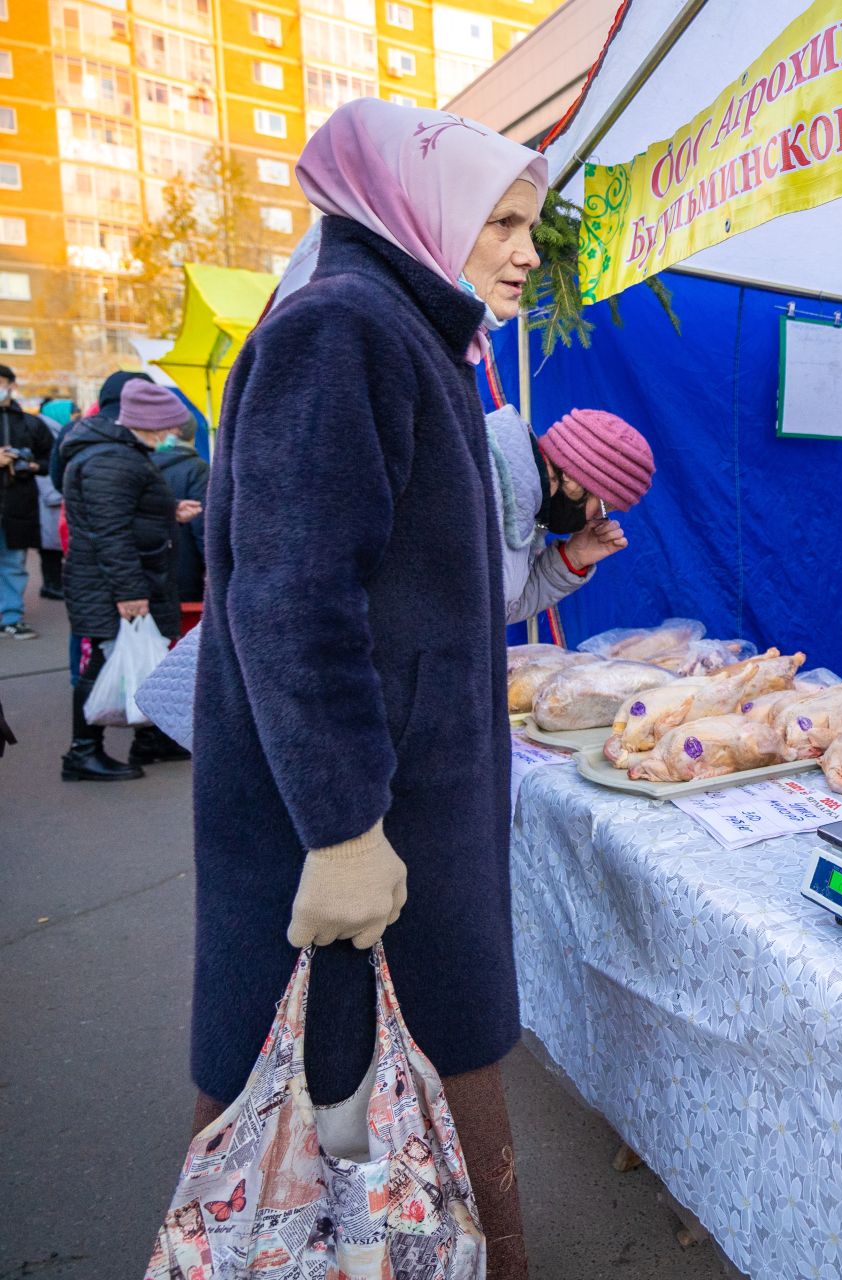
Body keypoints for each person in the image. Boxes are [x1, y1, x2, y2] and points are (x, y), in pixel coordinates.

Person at [189, 98, 546, 1278]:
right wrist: (344, 826)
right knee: (322, 1145)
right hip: (356, 834)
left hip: (404, 821)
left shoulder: (407, 332)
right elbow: (291, 595)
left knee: (398, 1136)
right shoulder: (343, 330)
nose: (526, 249)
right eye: (501, 220)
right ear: (421, 212)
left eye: (527, 222)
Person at [55, 379, 201, 778]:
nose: (174, 435)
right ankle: (82, 753)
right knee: (104, 661)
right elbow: (110, 531)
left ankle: (149, 741)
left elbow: (120, 511)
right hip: (112, 584)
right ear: (150, 423)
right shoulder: (111, 459)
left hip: (121, 579)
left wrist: (168, 510)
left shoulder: (117, 454)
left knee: (140, 660)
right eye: (170, 427)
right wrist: (129, 593)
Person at [484, 404, 648, 625]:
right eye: (604, 508)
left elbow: (495, 609)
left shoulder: (523, 505)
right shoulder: (480, 478)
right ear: (576, 479)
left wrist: (572, 558)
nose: (592, 522)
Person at [0, 363, 55, 639]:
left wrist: (31, 465)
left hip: (17, 503)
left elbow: (50, 460)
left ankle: (11, 616)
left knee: (13, 562)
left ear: (11, 384)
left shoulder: (30, 423)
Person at [152, 412, 210, 604]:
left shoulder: (142, 463)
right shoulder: (197, 468)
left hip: (149, 565)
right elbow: (202, 524)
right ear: (192, 436)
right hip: (186, 567)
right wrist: (211, 565)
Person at [34, 397, 74, 601]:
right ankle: (51, 585)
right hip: (48, 501)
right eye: (72, 412)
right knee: (50, 549)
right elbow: (49, 472)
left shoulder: (54, 432)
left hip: (50, 500)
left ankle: (52, 585)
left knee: (51, 548)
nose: (75, 416)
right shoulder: (49, 435)